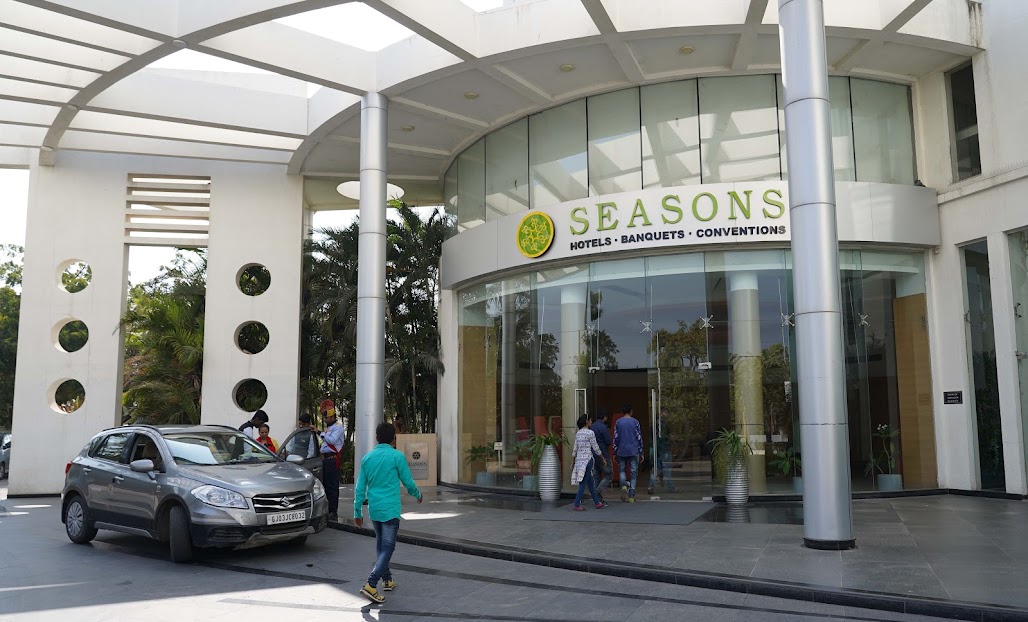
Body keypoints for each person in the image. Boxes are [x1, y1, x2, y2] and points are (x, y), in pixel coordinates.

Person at [355, 423, 423, 604]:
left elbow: (360, 488)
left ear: (377, 437)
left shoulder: (367, 458)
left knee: (381, 545)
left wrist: (357, 511)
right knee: (388, 546)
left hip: (375, 509)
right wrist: (417, 494)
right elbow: (407, 481)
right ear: (394, 439)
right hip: (391, 509)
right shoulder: (396, 456)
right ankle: (371, 584)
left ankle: (387, 579)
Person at [571, 414, 608, 511]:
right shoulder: (590, 433)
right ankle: (576, 504)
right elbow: (595, 447)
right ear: (587, 421)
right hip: (587, 460)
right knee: (583, 483)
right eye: (590, 420)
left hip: (579, 461)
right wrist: (603, 458)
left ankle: (597, 502)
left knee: (590, 482)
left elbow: (575, 449)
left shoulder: (578, 433)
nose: (591, 422)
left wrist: (573, 461)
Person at [318, 402, 345, 521]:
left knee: (332, 486)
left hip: (332, 459)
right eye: (324, 418)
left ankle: (333, 511)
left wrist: (319, 433)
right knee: (325, 486)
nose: (325, 420)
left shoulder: (338, 427)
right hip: (326, 459)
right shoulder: (329, 428)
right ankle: (327, 509)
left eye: (327, 418)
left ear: (333, 416)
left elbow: (332, 441)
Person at [612, 403, 643, 503]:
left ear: (623, 412)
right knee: (633, 472)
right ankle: (631, 495)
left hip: (621, 450)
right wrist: (641, 451)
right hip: (633, 450)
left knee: (622, 470)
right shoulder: (635, 422)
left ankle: (624, 486)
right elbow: (639, 438)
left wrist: (614, 451)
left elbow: (616, 438)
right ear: (631, 411)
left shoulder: (618, 422)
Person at [648, 411, 676, 494]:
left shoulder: (652, 427)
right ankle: (670, 488)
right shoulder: (666, 426)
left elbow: (651, 440)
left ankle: (651, 486)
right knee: (667, 471)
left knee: (655, 470)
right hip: (665, 450)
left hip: (657, 451)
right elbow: (671, 437)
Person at [591, 408, 613, 500]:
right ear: (604, 417)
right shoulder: (603, 427)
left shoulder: (592, 426)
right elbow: (608, 441)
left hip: (593, 454)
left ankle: (597, 499)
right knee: (609, 475)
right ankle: (597, 492)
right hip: (603, 453)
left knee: (596, 476)